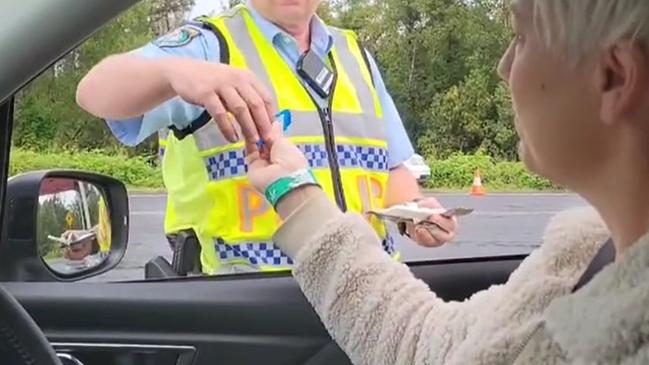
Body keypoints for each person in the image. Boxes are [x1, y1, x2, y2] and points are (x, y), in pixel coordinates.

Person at [245, 0, 649, 363]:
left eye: (521, 37)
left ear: (613, 76)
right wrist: (293, 192)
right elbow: (431, 344)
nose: (503, 68)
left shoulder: (356, 56)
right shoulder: (583, 253)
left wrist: (407, 208)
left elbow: (394, 166)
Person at [76, 0, 457, 275]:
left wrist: (415, 214)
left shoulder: (356, 54)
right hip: (252, 306)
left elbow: (392, 168)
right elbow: (94, 92)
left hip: (369, 293)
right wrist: (171, 72)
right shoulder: (209, 45)